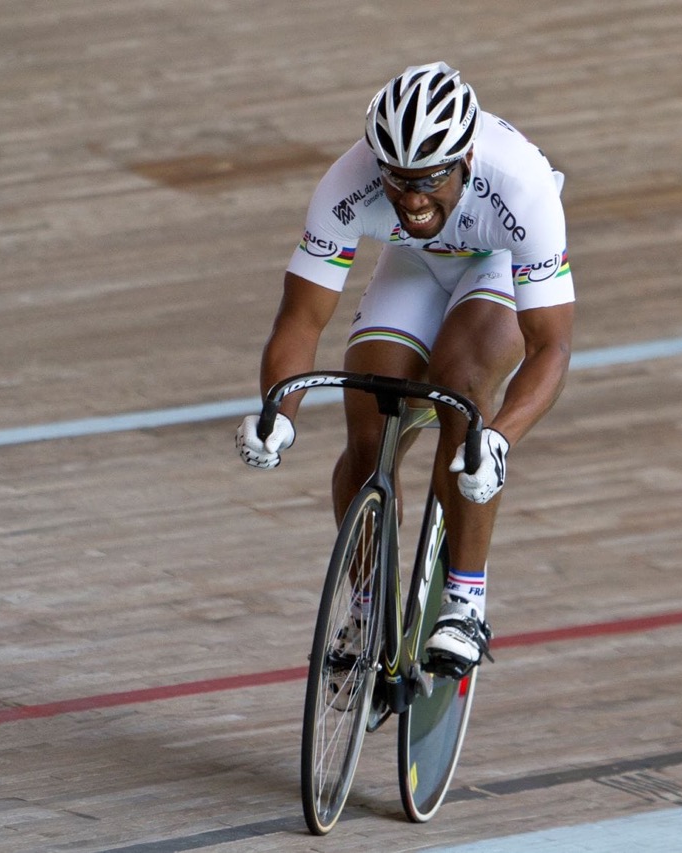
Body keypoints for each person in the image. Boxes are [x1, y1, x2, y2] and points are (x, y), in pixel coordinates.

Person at [235, 62, 575, 677]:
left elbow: (549, 347)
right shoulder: (348, 184)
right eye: (397, 179)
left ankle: (465, 601)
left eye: (430, 179)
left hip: (495, 263)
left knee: (460, 384)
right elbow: (302, 319)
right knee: (368, 420)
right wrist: (277, 412)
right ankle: (366, 606)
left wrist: (497, 440)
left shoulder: (522, 188)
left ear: (467, 158)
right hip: (415, 264)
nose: (413, 197)